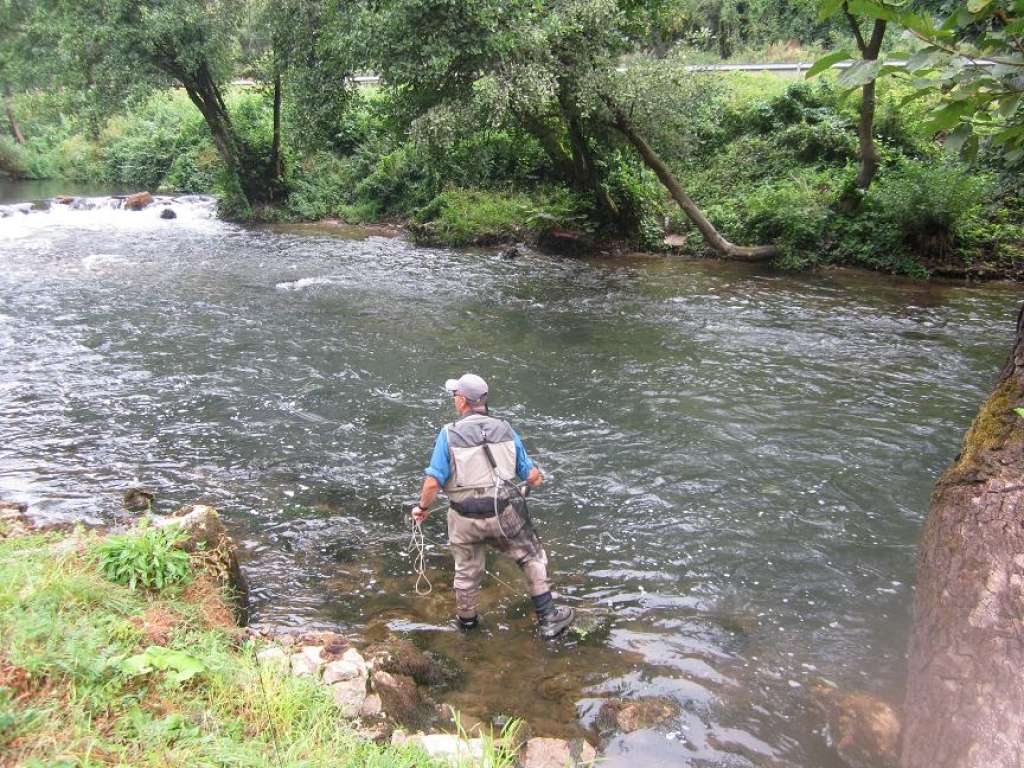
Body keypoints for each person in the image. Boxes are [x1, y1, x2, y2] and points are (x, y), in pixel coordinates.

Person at [411, 373, 575, 639]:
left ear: (462, 401)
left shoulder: (448, 434)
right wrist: (535, 478)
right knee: (531, 556)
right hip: (502, 514)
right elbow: (530, 475)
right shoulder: (506, 429)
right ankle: (547, 618)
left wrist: (422, 508)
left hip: (463, 519)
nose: (455, 400)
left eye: (455, 395)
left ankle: (467, 626)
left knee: (466, 572)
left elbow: (432, 484)